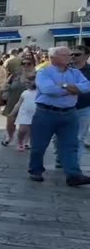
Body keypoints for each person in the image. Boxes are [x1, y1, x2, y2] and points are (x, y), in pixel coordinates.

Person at [27, 46, 90, 185]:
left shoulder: (75, 73)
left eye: (72, 55)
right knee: (39, 145)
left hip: (69, 113)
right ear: (53, 58)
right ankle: (35, 170)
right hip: (46, 113)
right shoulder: (44, 72)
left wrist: (64, 85)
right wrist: (74, 89)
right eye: (66, 55)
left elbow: (87, 87)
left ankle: (73, 175)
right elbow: (48, 89)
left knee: (71, 145)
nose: (71, 57)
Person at [13, 80, 38, 151]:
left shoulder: (39, 92)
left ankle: (27, 142)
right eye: (27, 83)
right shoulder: (25, 93)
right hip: (24, 113)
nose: (28, 84)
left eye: (30, 82)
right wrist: (13, 112)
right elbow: (18, 103)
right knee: (22, 130)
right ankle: (20, 141)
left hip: (35, 113)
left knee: (31, 129)